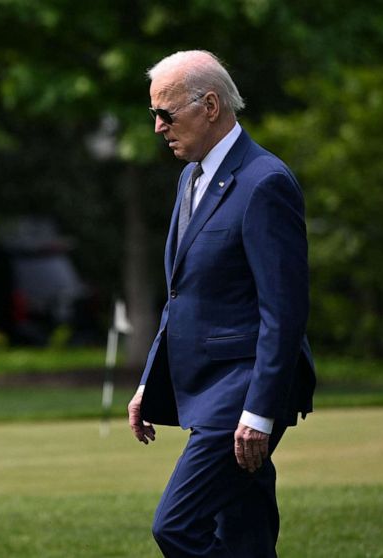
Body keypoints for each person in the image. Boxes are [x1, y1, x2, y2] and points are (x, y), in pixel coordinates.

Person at [127, 50, 316, 557]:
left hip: (240, 396)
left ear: (210, 105)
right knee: (245, 538)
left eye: (166, 114)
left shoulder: (265, 182)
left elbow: (284, 311)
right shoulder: (190, 176)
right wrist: (150, 379)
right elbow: (182, 291)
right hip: (203, 390)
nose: (158, 127)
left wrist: (259, 411)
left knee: (176, 526)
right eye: (154, 115)